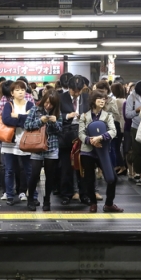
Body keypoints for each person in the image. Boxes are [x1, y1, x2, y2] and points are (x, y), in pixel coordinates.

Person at [79, 89, 122, 213]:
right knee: (89, 179)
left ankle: (109, 203)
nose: (103, 101)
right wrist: (90, 140)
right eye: (100, 98)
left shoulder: (108, 116)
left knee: (112, 177)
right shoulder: (84, 116)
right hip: (87, 151)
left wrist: (100, 137)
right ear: (93, 100)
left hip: (103, 150)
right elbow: (80, 134)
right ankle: (93, 203)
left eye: (104, 99)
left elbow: (113, 131)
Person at [23, 89, 62, 211]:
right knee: (34, 175)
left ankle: (47, 200)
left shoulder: (58, 113)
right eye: (46, 102)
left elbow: (60, 130)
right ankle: (31, 200)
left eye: (51, 104)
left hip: (52, 147)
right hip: (36, 146)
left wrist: (54, 122)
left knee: (50, 176)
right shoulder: (35, 109)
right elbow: (27, 126)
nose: (48, 105)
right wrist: (41, 121)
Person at [1, 80, 34, 206]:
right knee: (9, 170)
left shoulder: (30, 104)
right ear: (12, 93)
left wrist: (17, 116)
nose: (21, 92)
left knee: (29, 170)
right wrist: (23, 117)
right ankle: (9, 195)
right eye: (17, 90)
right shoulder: (8, 105)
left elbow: (32, 119)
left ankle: (32, 195)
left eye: (23, 90)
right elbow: (6, 119)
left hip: (26, 141)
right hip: (10, 142)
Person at [58, 75, 89, 204]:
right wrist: (67, 116)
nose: (76, 93)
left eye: (78, 91)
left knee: (83, 166)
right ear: (68, 88)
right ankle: (66, 194)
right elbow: (55, 115)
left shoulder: (87, 98)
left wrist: (86, 117)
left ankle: (85, 194)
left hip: (82, 134)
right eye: (73, 91)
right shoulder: (61, 98)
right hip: (66, 135)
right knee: (66, 167)